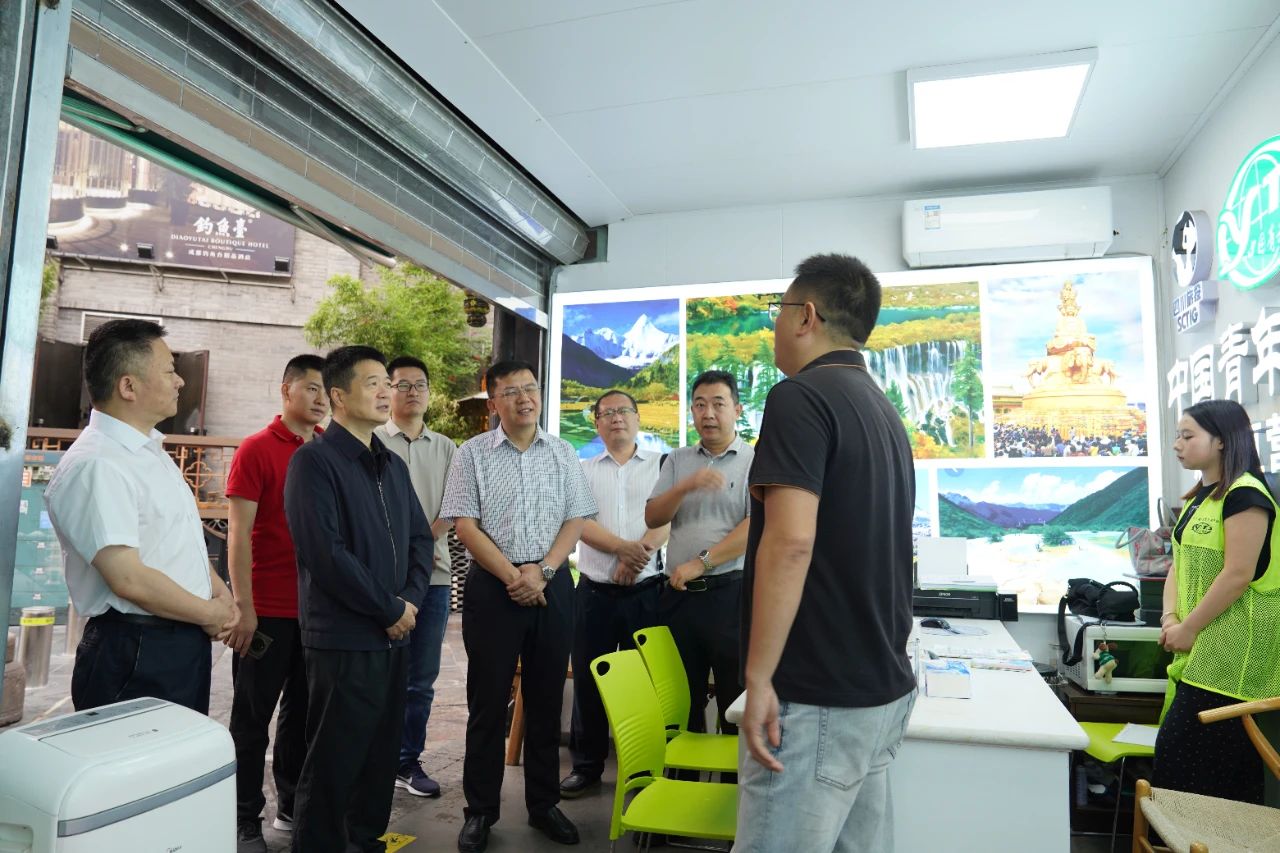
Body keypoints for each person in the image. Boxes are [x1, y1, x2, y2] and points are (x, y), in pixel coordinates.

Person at [735, 253, 917, 853]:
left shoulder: (799, 397)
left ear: (805, 316)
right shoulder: (881, 408)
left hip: (815, 694)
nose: (774, 323)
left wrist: (759, 677)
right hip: (878, 689)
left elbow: (790, 542)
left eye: (778, 309)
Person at [441, 359, 597, 853]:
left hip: (552, 585)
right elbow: (464, 525)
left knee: (546, 700)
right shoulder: (472, 454)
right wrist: (515, 577)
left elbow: (576, 518)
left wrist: (543, 571)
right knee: (487, 703)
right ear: (494, 403)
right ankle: (480, 811)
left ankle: (544, 804)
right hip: (494, 589)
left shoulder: (563, 451)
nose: (525, 398)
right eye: (511, 391)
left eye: (530, 388)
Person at [283, 346, 433, 853]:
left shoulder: (391, 464)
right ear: (339, 396)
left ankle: (366, 842)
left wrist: (409, 602)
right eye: (374, 383)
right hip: (344, 639)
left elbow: (420, 540)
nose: (388, 391)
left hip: (394, 636)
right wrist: (389, 609)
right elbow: (326, 554)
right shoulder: (314, 462)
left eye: (388, 383)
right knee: (334, 762)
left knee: (378, 759)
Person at [45, 318, 237, 714]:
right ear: (128, 386)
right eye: (169, 371)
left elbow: (175, 540)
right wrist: (209, 612)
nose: (180, 381)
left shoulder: (148, 451)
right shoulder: (98, 463)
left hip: (175, 640)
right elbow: (128, 578)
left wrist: (218, 591)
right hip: (136, 649)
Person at [224, 354, 327, 853]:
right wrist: (243, 606)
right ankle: (243, 818)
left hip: (318, 615)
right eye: (311, 388)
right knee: (251, 719)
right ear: (286, 390)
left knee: (302, 717)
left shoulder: (329, 449)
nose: (321, 398)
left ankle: (291, 804)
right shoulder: (256, 448)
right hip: (266, 612)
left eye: (326, 389)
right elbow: (238, 535)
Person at [1157, 398, 1280, 804]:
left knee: (1203, 782)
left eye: (1188, 436)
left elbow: (1237, 574)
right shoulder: (1200, 497)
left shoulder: (1246, 496)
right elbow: (1178, 563)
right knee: (1177, 775)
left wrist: (1189, 628)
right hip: (1196, 653)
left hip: (1230, 662)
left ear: (1223, 440)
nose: (1177, 444)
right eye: (1177, 435)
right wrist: (1169, 617)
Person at [559, 389, 670, 799]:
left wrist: (636, 558)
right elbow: (578, 521)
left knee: (647, 685)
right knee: (591, 681)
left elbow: (668, 519)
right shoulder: (581, 469)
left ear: (638, 418)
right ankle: (586, 767)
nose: (616, 418)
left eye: (624, 411)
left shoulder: (663, 465)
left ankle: (644, 771)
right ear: (596, 423)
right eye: (606, 413)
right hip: (594, 594)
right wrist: (622, 550)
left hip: (648, 592)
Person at [645, 370, 753, 741]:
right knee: (680, 700)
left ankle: (731, 777)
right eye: (700, 405)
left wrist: (701, 563)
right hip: (679, 599)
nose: (708, 413)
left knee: (733, 697)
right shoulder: (677, 460)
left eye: (718, 404)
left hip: (729, 596)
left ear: (737, 410)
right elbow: (653, 517)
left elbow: (755, 526)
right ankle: (682, 772)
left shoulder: (756, 460)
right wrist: (686, 485)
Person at [374, 355, 456, 798]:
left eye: (420, 384)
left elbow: (456, 506)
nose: (412, 392)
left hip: (433, 578)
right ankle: (372, 758)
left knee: (421, 679)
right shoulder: (371, 440)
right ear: (387, 390)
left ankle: (407, 761)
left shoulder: (446, 448)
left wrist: (420, 543)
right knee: (376, 672)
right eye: (402, 384)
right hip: (380, 579)